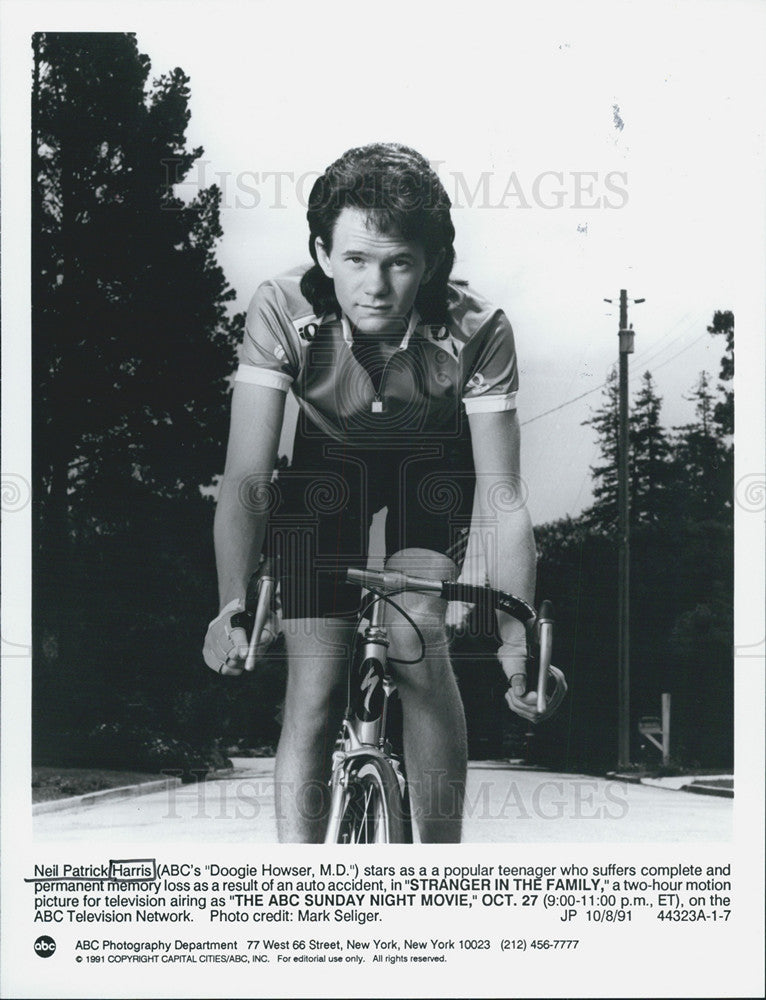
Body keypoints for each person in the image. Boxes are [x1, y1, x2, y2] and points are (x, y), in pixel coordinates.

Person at [203, 142, 564, 842]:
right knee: (311, 691)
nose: (375, 285)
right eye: (356, 260)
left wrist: (516, 648)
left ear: (431, 264)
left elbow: (501, 497)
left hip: (430, 460)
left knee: (416, 643)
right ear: (321, 251)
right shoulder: (280, 309)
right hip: (328, 462)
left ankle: (434, 879)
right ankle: (302, 893)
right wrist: (232, 603)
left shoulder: (478, 329)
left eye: (399, 262)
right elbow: (247, 477)